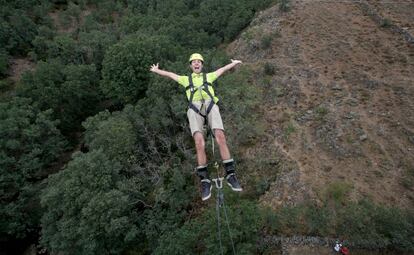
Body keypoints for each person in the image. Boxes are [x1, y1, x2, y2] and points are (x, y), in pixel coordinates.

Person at [150, 53, 243, 201]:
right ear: (191, 66)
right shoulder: (186, 80)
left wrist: (234, 63)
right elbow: (171, 75)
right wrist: (156, 71)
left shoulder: (209, 77)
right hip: (194, 108)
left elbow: (222, 70)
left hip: (210, 105)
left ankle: (231, 174)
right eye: (194, 62)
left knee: (220, 137)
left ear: (202, 65)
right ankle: (205, 180)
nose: (196, 63)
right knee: (199, 142)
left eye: (199, 61)